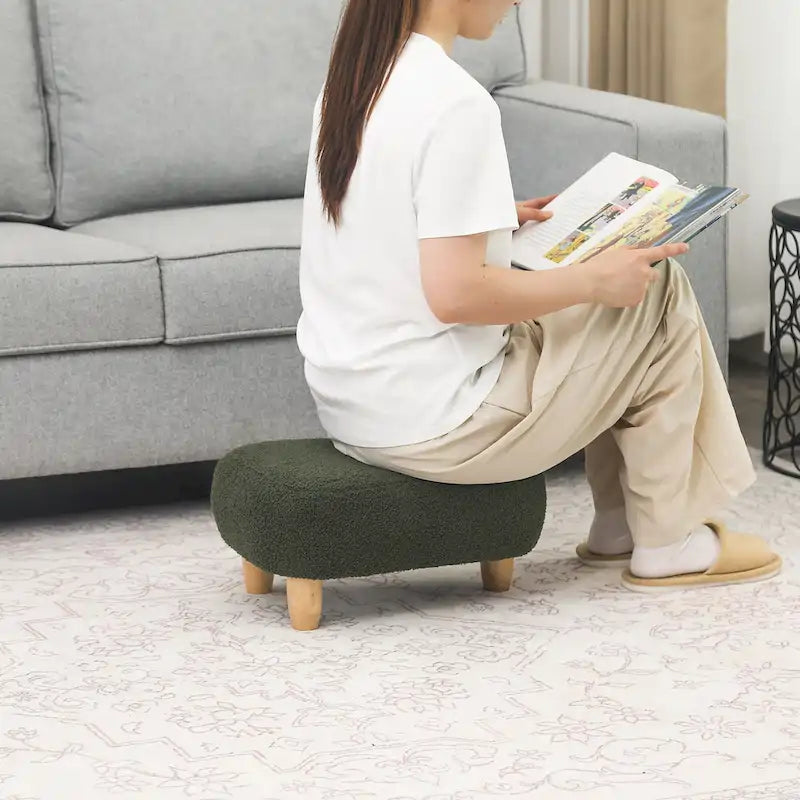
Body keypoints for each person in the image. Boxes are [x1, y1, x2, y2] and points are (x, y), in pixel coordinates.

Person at [296, 0, 781, 591]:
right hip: (440, 425)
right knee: (654, 290)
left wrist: (492, 223)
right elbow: (456, 295)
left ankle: (619, 527)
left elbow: (383, 230)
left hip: (355, 407)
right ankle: (666, 539)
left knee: (605, 297)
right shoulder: (455, 101)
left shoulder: (354, 83)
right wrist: (593, 280)